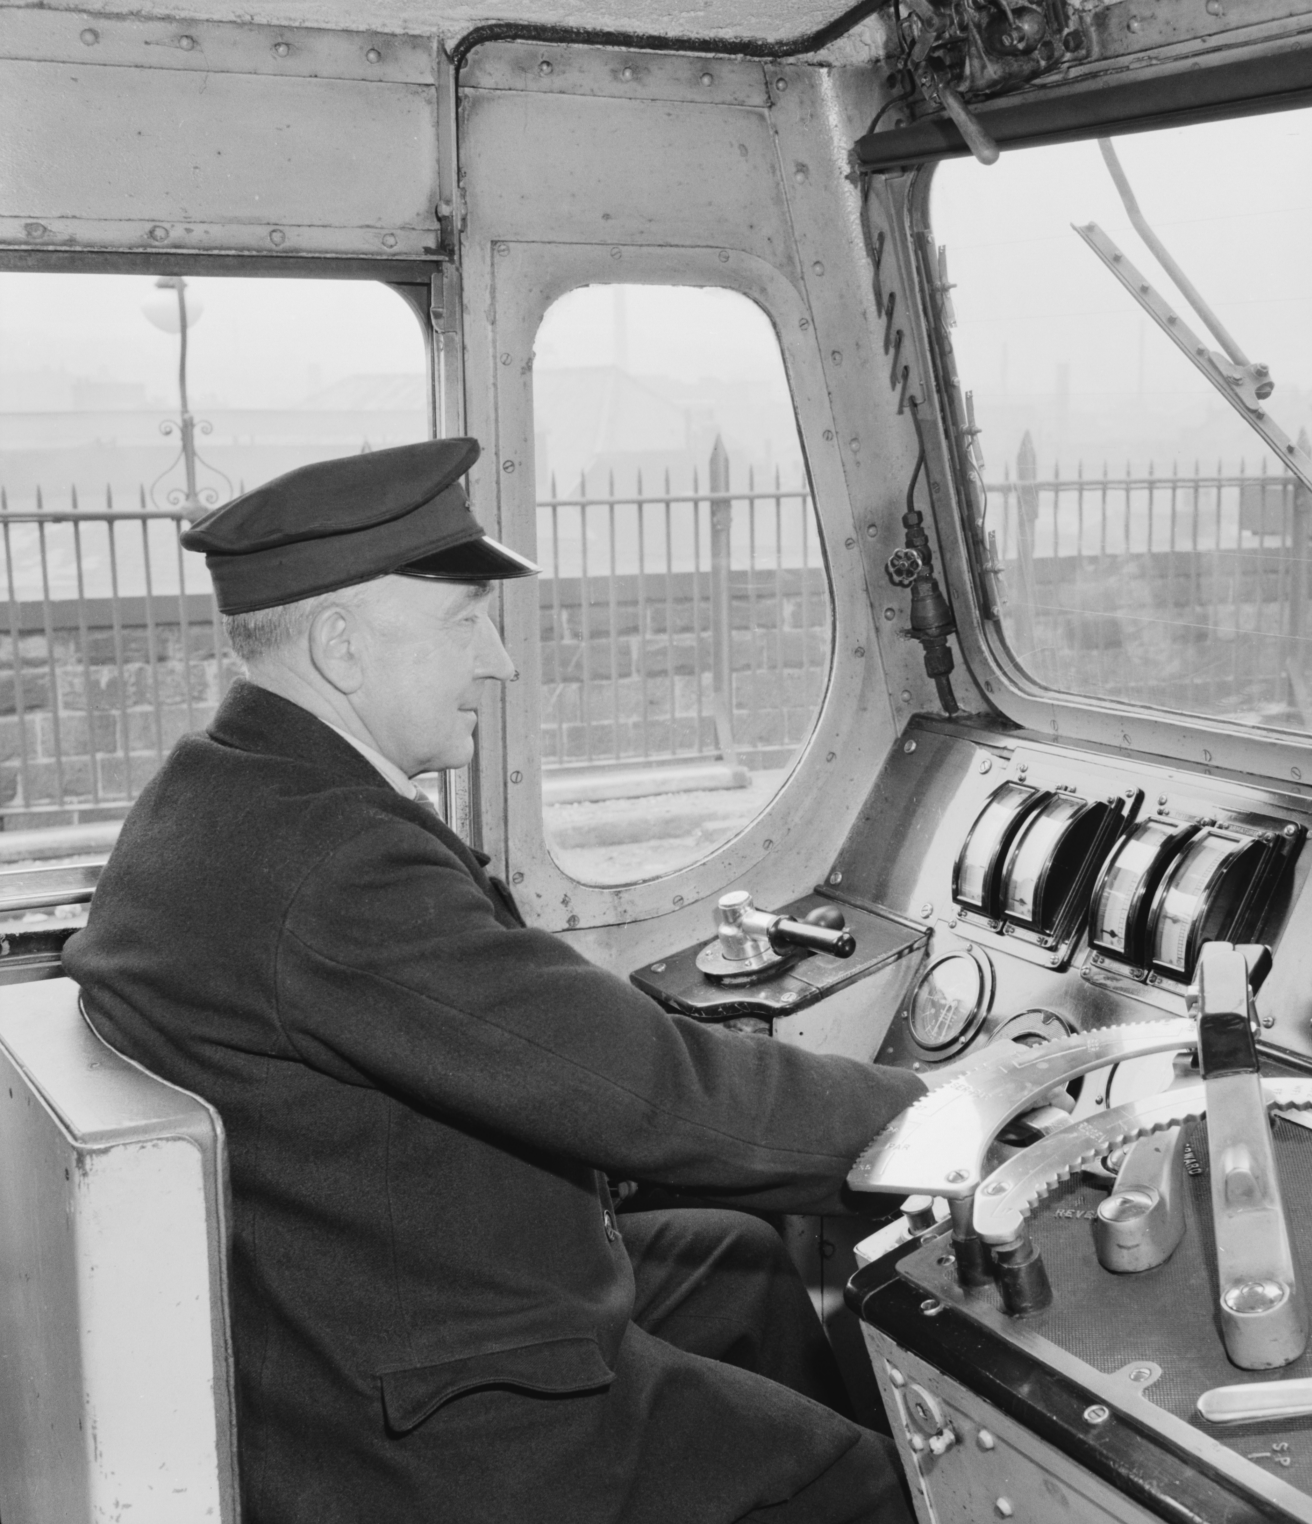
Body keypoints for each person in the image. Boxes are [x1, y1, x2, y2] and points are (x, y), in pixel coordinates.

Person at [63, 438, 928, 1524]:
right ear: (340, 647)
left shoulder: (220, 794)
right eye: (465, 620)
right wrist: (936, 1120)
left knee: (734, 1262)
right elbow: (652, 1092)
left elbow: (520, 1045)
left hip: (350, 1302)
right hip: (422, 1417)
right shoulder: (333, 862)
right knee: (873, 1488)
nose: (501, 661)